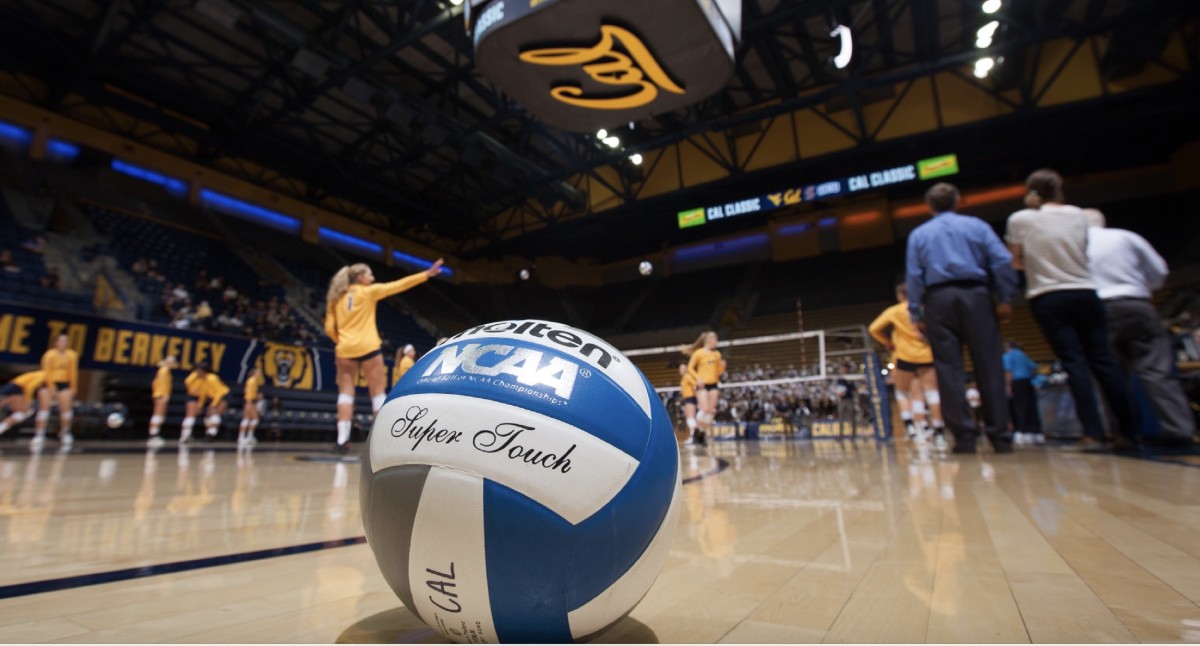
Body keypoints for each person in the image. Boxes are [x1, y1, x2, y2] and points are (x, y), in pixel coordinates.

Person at [1006, 169, 1140, 452]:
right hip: (1086, 290)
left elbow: (1015, 261)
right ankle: (1129, 432)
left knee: (1074, 363)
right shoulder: (1079, 215)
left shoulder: (1021, 219)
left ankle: (1092, 433)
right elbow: (1084, 249)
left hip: (1048, 295)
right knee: (1104, 361)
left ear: (1032, 194)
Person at [906, 182, 1018, 454]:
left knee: (947, 369)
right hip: (976, 295)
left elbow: (914, 275)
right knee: (989, 366)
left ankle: (964, 437)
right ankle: (1000, 435)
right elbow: (1003, 261)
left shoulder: (919, 234)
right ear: (958, 201)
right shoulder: (977, 226)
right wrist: (1005, 297)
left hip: (938, 299)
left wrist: (915, 312)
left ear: (929, 206)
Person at [1087, 215, 1196, 447]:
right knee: (1158, 372)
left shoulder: (1075, 245)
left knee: (1111, 377)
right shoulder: (1125, 236)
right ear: (1101, 221)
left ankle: (1125, 434)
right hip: (1136, 303)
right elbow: (1159, 270)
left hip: (1097, 309)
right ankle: (1179, 431)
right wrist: (1144, 288)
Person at [325, 259, 444, 453]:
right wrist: (426, 274)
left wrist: (341, 340)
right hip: (368, 346)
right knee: (378, 394)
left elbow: (329, 328)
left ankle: (342, 440)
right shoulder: (368, 292)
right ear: (361, 278)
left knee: (345, 394)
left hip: (345, 349)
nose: (372, 278)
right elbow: (397, 286)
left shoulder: (335, 297)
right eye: (370, 274)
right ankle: (379, 442)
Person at [868, 281, 946, 445]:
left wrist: (887, 342)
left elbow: (873, 328)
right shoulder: (925, 308)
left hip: (905, 356)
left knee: (904, 393)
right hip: (927, 355)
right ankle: (938, 431)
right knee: (932, 394)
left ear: (900, 295)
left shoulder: (895, 311)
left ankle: (912, 426)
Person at [41, 333, 79, 447]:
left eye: (65, 341)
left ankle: (65, 433)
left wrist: (73, 387)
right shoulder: (49, 355)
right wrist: (51, 387)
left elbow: (73, 372)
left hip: (64, 383)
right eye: (61, 341)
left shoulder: (72, 355)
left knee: (66, 411)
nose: (63, 343)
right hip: (49, 383)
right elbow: (46, 372)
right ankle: (39, 434)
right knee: (44, 410)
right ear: (56, 342)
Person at [685, 331, 725, 438]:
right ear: (709, 340)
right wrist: (698, 378)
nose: (716, 342)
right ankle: (695, 431)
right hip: (702, 385)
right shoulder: (699, 353)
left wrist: (722, 367)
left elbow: (718, 371)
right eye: (715, 340)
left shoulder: (717, 354)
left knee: (710, 411)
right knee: (704, 409)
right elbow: (690, 368)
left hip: (714, 384)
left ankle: (701, 432)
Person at [1003, 341, 1044, 445]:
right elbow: (1034, 368)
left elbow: (1008, 371)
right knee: (1031, 407)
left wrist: (1008, 386)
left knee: (1019, 407)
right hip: (1027, 381)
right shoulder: (1024, 355)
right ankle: (1037, 433)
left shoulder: (1008, 355)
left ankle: (1022, 431)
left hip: (1016, 382)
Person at [0, 370, 50, 438]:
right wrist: (28, 401)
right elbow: (30, 387)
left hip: (14, 387)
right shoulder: (44, 375)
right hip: (16, 388)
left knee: (22, 413)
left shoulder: (43, 375)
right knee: (23, 412)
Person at [147, 355, 178, 448]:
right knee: (158, 414)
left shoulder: (165, 371)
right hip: (161, 395)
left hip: (160, 394)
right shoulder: (164, 371)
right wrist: (164, 395)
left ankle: (155, 434)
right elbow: (161, 384)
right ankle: (153, 435)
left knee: (160, 415)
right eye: (172, 362)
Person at [237, 367, 264, 446]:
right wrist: (250, 402)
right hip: (249, 401)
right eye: (258, 372)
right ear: (254, 373)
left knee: (254, 419)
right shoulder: (251, 381)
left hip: (252, 401)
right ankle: (241, 437)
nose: (259, 374)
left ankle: (249, 436)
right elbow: (248, 393)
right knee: (247, 419)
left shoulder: (254, 381)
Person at [678, 361, 701, 445]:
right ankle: (694, 437)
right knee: (689, 418)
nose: (680, 370)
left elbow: (695, 385)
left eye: (682, 368)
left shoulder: (688, 376)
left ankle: (695, 437)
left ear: (686, 369)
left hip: (691, 398)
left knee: (690, 418)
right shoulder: (684, 377)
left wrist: (698, 399)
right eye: (680, 368)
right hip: (687, 399)